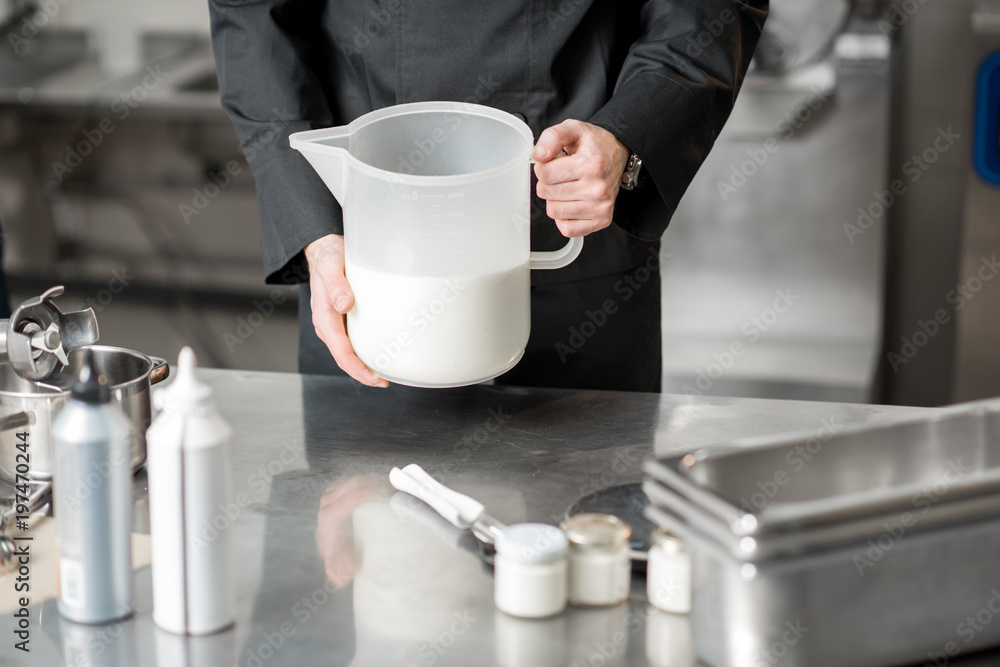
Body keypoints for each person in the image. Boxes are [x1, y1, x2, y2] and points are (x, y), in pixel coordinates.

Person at [208, 1, 767, 392]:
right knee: (370, 539)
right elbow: (251, 15)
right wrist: (313, 226)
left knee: (582, 537)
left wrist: (629, 129)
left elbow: (708, 7)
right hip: (364, 276)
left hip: (583, 265)